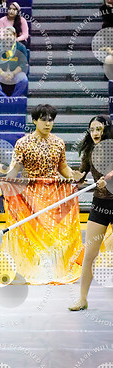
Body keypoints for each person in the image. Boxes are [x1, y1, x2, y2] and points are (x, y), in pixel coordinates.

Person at [69, 115, 113, 311]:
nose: (95, 133)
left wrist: (109, 178)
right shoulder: (89, 151)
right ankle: (82, 299)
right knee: (90, 254)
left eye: (99, 129)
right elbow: (82, 176)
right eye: (92, 129)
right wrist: (77, 177)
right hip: (100, 205)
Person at [6, 104, 73, 180]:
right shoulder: (22, 143)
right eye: (43, 120)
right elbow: (15, 167)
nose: (47, 124)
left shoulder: (59, 142)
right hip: (30, 185)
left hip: (53, 186)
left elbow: (63, 167)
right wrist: (8, 180)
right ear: (35, 121)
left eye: (50, 120)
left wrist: (73, 177)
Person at [0, 26, 28, 97]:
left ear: (14, 36)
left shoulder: (21, 47)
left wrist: (13, 73)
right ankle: (3, 97)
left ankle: (14, 98)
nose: (8, 37)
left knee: (23, 79)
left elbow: (22, 64)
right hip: (1, 72)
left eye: (10, 35)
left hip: (16, 72)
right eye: (6, 35)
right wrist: (2, 73)